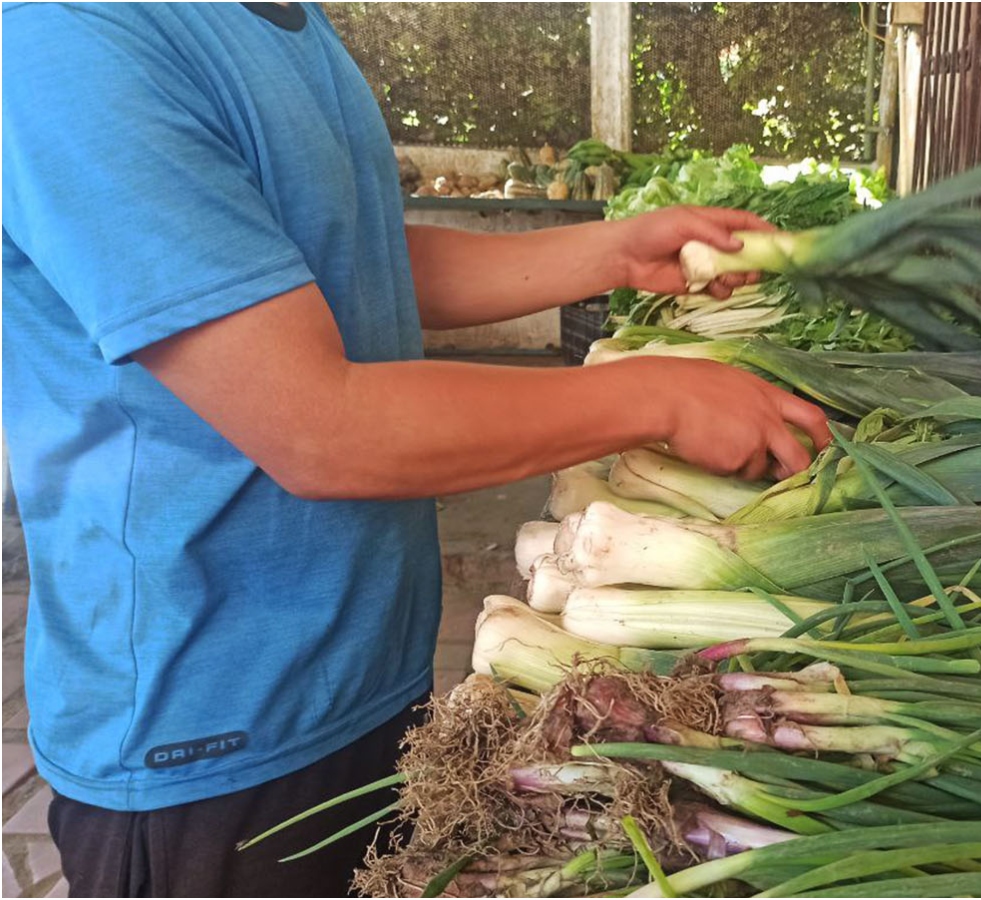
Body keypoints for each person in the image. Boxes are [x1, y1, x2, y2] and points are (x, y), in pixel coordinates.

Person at [1, 3, 830, 896]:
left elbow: (337, 261)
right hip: (209, 734)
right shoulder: (73, 37)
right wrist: (655, 396)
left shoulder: (284, 20)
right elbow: (319, 427)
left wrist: (616, 253)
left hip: (365, 682)